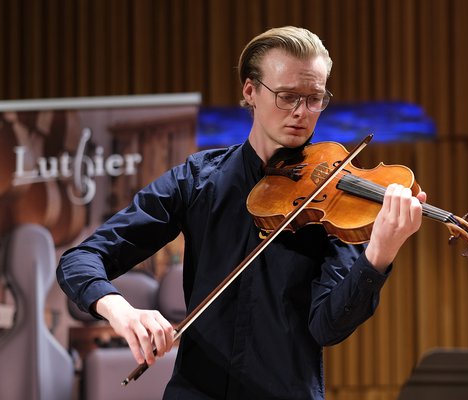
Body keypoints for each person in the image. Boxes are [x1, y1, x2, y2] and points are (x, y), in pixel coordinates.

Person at [57, 26, 426, 400]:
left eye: (315, 98)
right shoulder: (197, 180)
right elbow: (81, 259)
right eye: (286, 96)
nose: (301, 112)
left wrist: (379, 253)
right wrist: (121, 310)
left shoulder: (333, 198)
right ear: (250, 91)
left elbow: (327, 328)